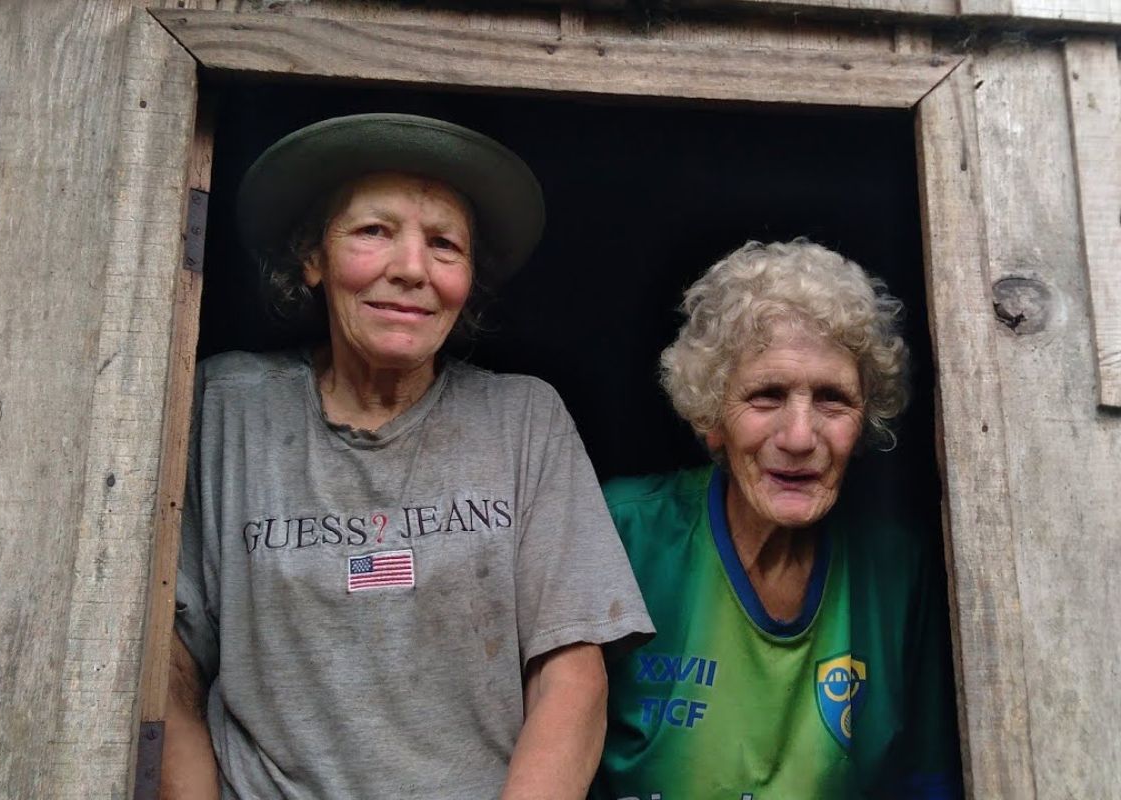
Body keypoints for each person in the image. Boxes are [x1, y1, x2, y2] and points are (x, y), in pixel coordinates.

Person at [163, 113, 653, 800]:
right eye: (374, 232)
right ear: (314, 256)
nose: (412, 270)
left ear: (469, 279)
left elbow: (571, 672)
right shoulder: (226, 407)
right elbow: (172, 663)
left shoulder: (522, 419)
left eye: (445, 245)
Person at [591, 240, 962, 799]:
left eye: (833, 400)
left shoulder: (897, 569)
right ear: (712, 416)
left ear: (864, 423)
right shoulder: (624, 535)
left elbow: (927, 780)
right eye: (767, 395)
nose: (798, 437)